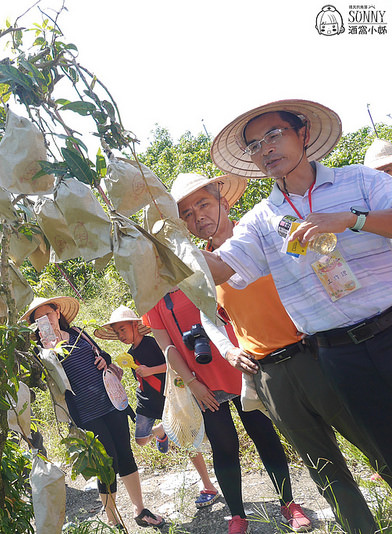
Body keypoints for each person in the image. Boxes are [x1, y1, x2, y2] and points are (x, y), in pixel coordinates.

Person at [173, 171, 381, 533]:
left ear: (224, 201)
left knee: (376, 441)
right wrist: (227, 349)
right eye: (188, 214)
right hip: (269, 374)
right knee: (322, 466)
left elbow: (314, 263)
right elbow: (207, 316)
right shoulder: (202, 266)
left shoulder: (263, 233)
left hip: (316, 353)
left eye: (203, 204)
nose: (198, 217)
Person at [205, 99, 392, 502]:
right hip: (339, 355)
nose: (266, 149)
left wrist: (353, 219)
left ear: (303, 134)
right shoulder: (260, 221)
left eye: (274, 135)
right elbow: (221, 269)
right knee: (386, 448)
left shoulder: (360, 181)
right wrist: (163, 246)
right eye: (255, 145)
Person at [146, 286, 308, 534]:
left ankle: (289, 504)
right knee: (224, 447)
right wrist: (192, 383)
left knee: (265, 435)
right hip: (204, 384)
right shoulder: (152, 299)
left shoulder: (202, 274)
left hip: (241, 368)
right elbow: (167, 348)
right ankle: (237, 516)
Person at [22, 296, 165, 529]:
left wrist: (103, 360)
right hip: (85, 414)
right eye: (38, 319)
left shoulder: (78, 333)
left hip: (110, 402)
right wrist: (47, 353)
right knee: (106, 463)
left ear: (57, 312)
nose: (45, 320)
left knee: (125, 454)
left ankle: (140, 510)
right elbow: (47, 381)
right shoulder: (41, 351)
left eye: (47, 314)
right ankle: (112, 518)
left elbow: (102, 355)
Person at [94, 305, 221, 509]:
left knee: (187, 442)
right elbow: (141, 377)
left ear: (135, 325)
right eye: (117, 333)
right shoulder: (130, 353)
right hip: (146, 401)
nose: (120, 335)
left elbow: (173, 364)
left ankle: (208, 486)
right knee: (141, 440)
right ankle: (162, 431)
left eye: (123, 329)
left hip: (168, 397)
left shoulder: (152, 344)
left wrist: (150, 370)